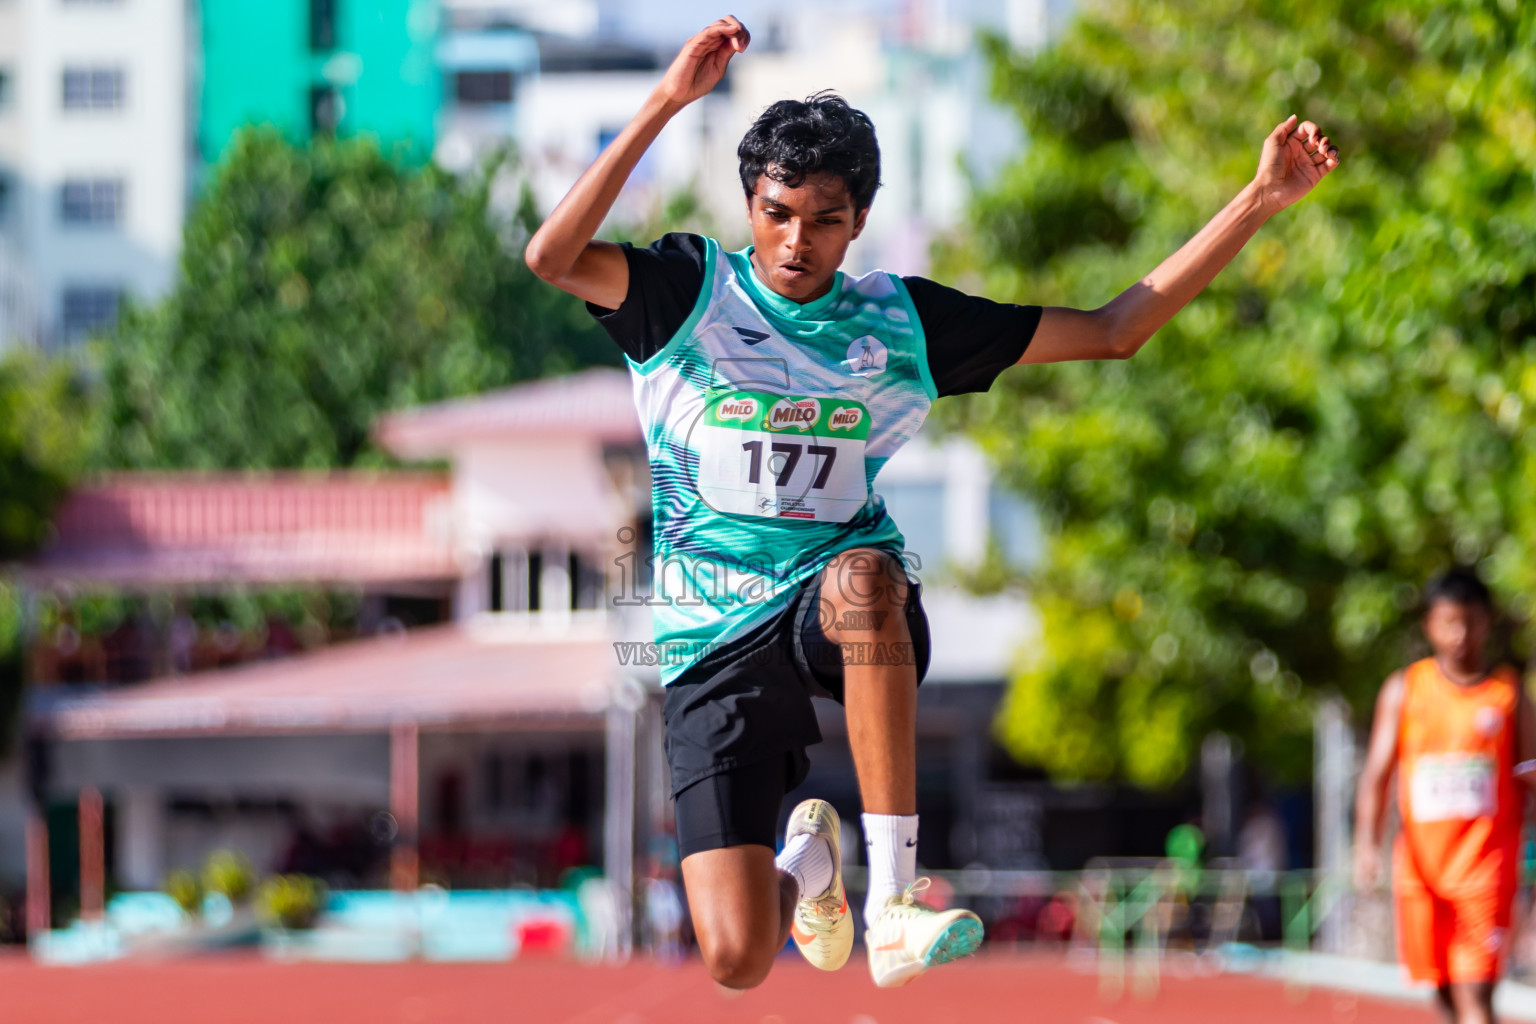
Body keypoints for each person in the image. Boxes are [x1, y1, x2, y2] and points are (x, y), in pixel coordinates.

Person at [525, 15, 1339, 990]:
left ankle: (896, 902)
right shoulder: (685, 292)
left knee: (866, 577)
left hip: (833, 602)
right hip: (709, 639)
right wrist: (667, 100)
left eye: (825, 219)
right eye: (779, 212)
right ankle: (810, 863)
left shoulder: (899, 322)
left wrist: (1257, 199)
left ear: (858, 220)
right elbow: (550, 255)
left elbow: (1118, 329)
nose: (797, 240)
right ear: (751, 202)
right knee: (738, 956)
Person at [1355, 568, 1536, 1024]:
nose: (1460, 634)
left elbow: (1531, 773)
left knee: (1475, 996)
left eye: (1470, 622)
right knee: (1446, 1000)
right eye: (1449, 622)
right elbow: (1377, 774)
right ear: (1429, 625)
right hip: (1420, 874)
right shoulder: (1404, 690)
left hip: (1485, 870)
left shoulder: (1508, 695)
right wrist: (1367, 845)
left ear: (1487, 623)